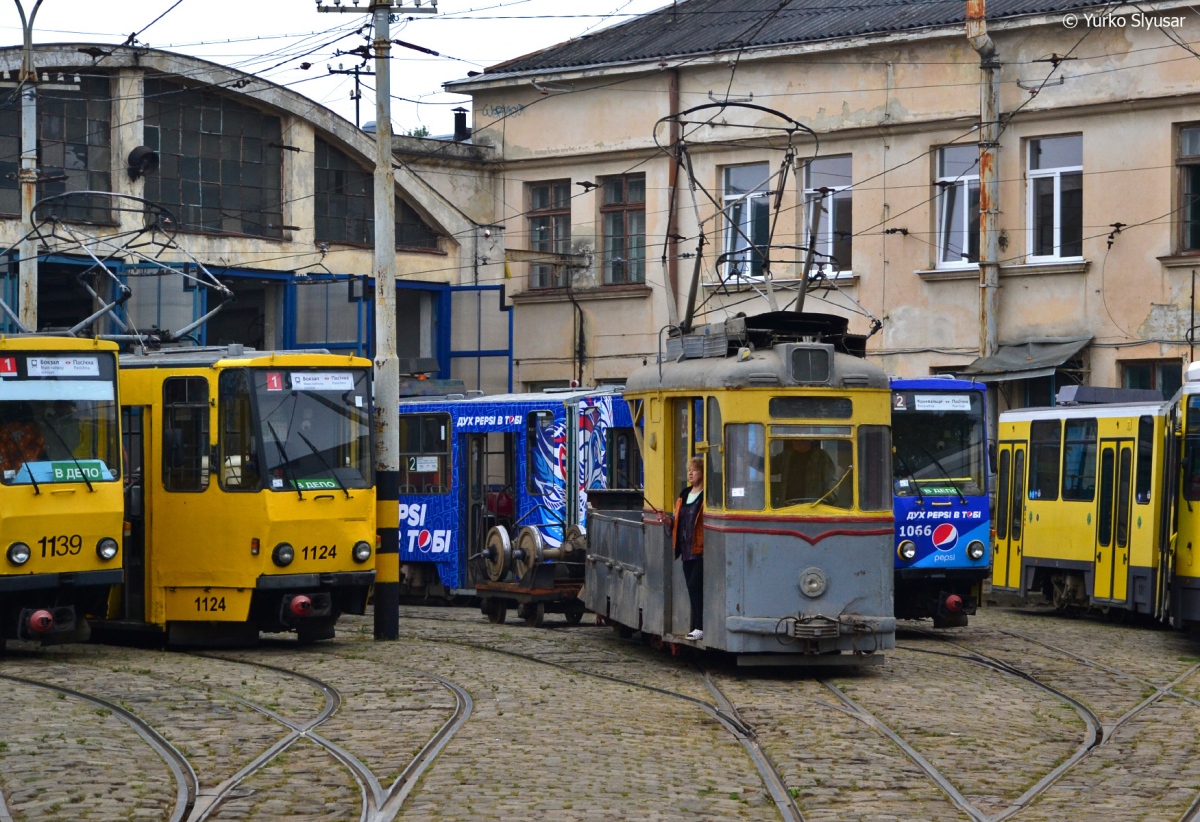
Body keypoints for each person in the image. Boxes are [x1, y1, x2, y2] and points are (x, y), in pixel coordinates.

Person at [673, 456, 705, 641]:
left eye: (694, 470)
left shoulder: (706, 496)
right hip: (686, 550)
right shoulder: (684, 494)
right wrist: (668, 520)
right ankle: (696, 626)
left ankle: (700, 627)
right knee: (692, 588)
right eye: (689, 470)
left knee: (695, 585)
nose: (690, 473)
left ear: (703, 473)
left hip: (700, 549)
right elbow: (679, 520)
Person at [775, 438, 837, 506]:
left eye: (800, 439)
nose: (796, 442)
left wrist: (829, 498)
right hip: (787, 506)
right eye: (794, 439)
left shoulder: (821, 457)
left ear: (808, 439)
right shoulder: (786, 456)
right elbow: (770, 465)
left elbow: (831, 480)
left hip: (811, 507)